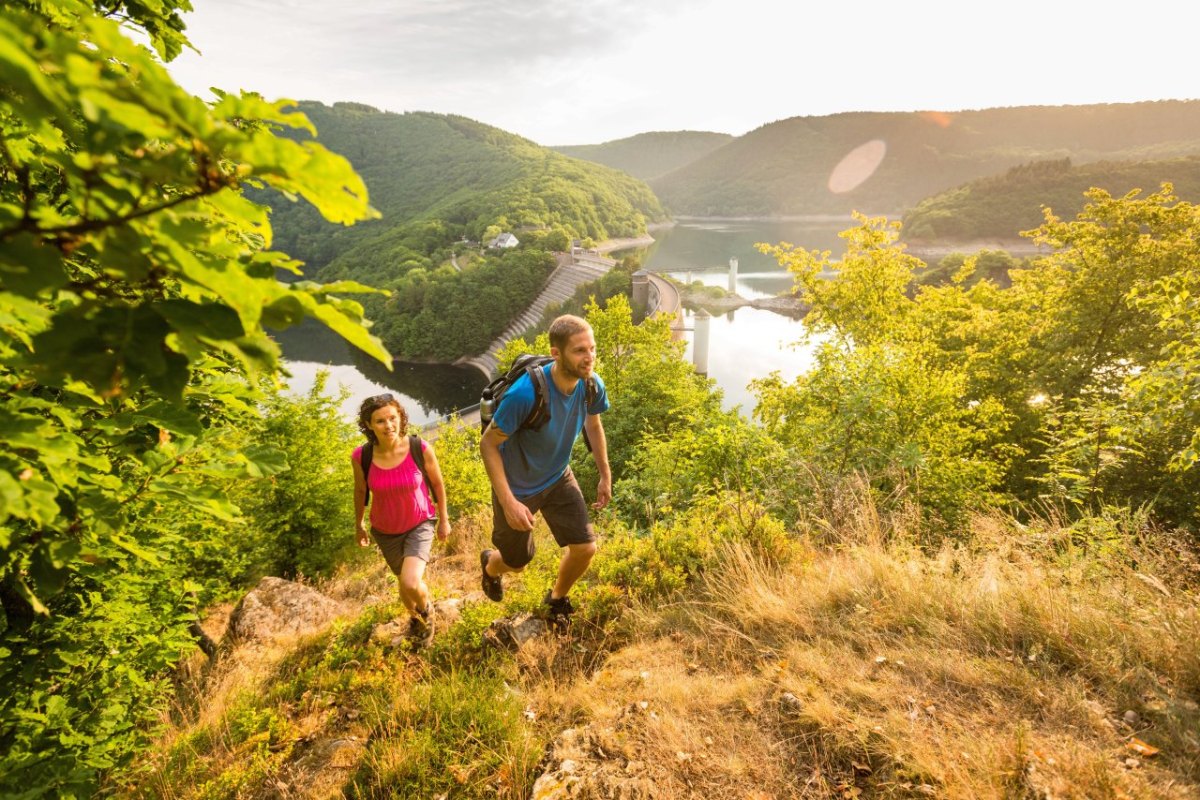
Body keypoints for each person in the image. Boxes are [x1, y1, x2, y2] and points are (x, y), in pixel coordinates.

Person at [479, 314, 611, 626]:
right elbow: (488, 445)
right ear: (556, 353)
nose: (589, 357)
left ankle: (556, 599)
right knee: (517, 562)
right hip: (518, 489)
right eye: (580, 350)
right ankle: (490, 566)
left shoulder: (591, 384)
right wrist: (509, 502)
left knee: (585, 548)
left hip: (558, 476)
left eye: (592, 348)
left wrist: (604, 473)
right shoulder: (525, 394)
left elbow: (593, 422)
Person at [352, 393, 451, 647]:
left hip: (420, 522)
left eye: (392, 418)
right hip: (385, 531)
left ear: (401, 417)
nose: (389, 426)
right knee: (404, 585)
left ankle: (427, 610)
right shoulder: (361, 457)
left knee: (410, 581)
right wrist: (359, 524)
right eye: (380, 421)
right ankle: (416, 622)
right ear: (369, 425)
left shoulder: (420, 448)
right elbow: (361, 491)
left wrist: (444, 519)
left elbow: (438, 484)